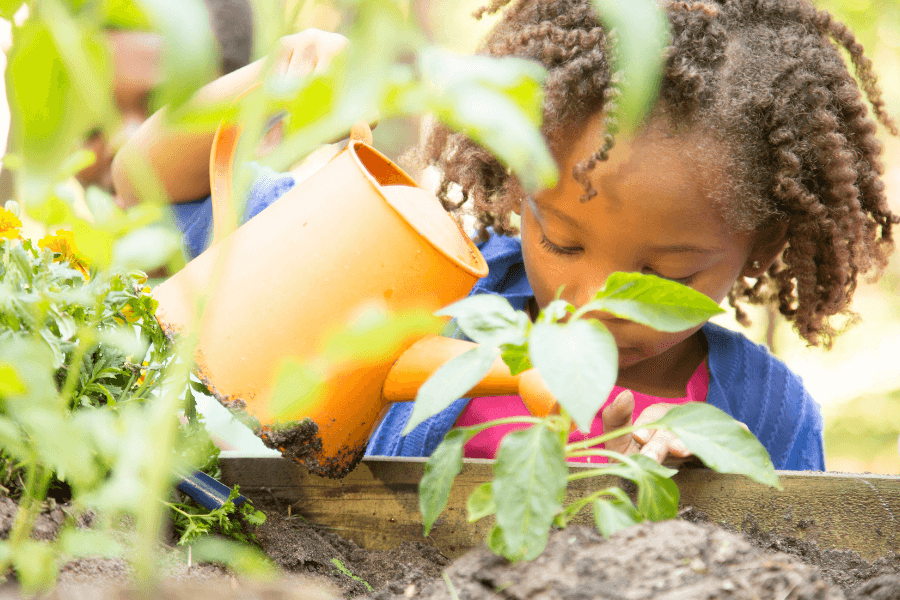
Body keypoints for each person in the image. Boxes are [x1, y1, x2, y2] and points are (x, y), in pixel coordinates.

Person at [116, 0, 898, 471]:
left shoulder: (767, 416)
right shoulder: (413, 292)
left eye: (667, 275)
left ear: (758, 250)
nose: (590, 303)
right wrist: (270, 82)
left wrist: (710, 484)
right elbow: (150, 189)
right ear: (515, 186)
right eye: (560, 241)